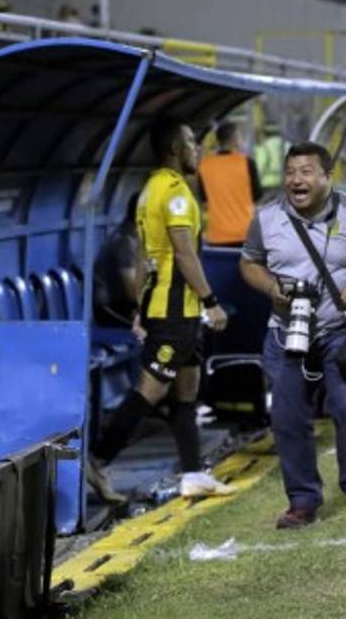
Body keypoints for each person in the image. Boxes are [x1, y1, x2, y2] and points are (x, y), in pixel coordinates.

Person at [239, 142, 346, 529]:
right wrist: (270, 287)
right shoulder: (267, 217)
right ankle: (302, 502)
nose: (296, 180)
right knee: (288, 419)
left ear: (328, 176)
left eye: (306, 171)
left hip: (339, 332)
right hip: (285, 334)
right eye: (291, 172)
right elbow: (249, 263)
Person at [86, 122, 233, 504]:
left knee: (187, 387)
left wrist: (139, 307)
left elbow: (142, 255)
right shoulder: (175, 193)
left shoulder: (150, 189)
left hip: (164, 307)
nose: (197, 150)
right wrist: (211, 301)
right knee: (151, 389)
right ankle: (98, 458)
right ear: (173, 148)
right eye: (190, 144)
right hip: (176, 311)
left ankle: (194, 474)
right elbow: (183, 254)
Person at [198, 121, 262, 246]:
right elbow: (257, 196)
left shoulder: (204, 165)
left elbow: (204, 202)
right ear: (235, 139)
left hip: (217, 236)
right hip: (245, 234)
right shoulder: (247, 163)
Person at [92, 192, 141, 328]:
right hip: (111, 311)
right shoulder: (124, 242)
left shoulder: (135, 238)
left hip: (122, 306)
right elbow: (133, 293)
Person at [254, 122, 286, 196]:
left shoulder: (263, 147)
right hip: (284, 184)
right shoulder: (288, 145)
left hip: (267, 185)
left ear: (265, 133)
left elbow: (259, 167)